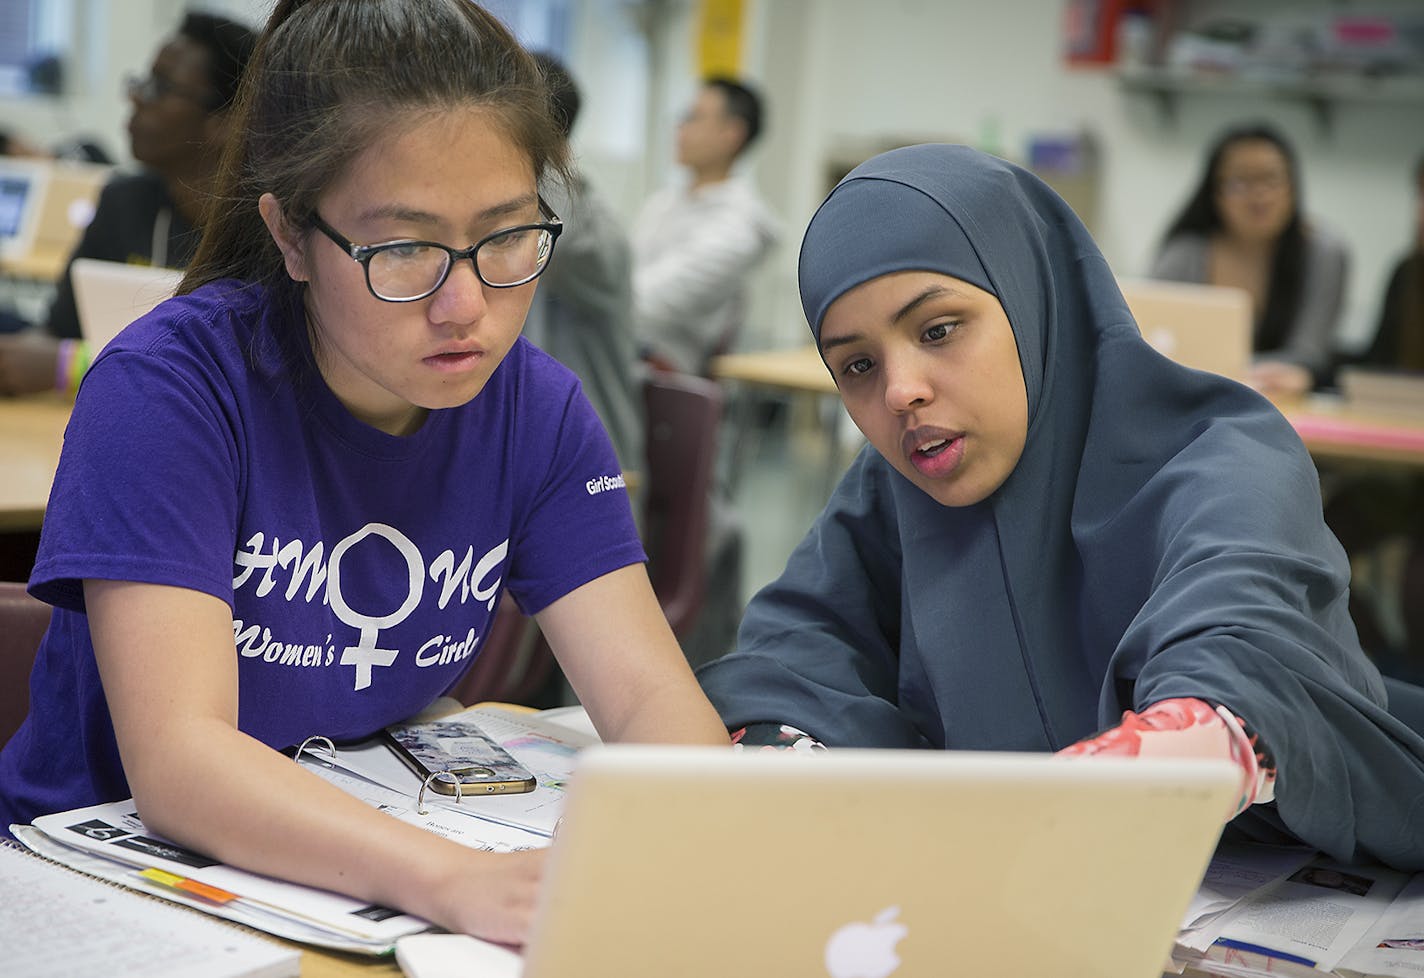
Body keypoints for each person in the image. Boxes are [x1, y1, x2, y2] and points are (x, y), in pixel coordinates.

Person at [0, 0, 727, 947]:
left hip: (356, 863)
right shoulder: (171, 391)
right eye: (406, 249)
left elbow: (643, 695)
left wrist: (719, 837)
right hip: (109, 884)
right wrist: (454, 882)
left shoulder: (535, 411)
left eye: (508, 235)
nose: (465, 304)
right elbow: (181, 763)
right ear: (292, 236)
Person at [696, 143, 1424, 871]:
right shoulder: (895, 488)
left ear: (1030, 295)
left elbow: (1242, 644)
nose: (900, 391)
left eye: (938, 329)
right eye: (858, 365)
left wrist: (1139, 767)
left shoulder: (1224, 453)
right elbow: (795, 645)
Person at [0, 11, 256, 396]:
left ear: (225, 121)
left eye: (160, 86)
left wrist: (72, 365)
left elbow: (242, 377)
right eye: (144, 80)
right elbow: (56, 337)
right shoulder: (124, 202)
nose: (135, 95)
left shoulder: (264, 231)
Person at [1149, 122, 1349, 398]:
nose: (1259, 195)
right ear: (1215, 193)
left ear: (1293, 188)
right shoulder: (1184, 254)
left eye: (1271, 179)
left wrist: (1294, 374)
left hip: (1286, 408)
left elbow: (1309, 353)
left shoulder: (1323, 253)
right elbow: (1150, 337)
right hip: (1194, 401)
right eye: (1240, 181)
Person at [1320, 153, 1424, 678]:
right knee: (1318, 530)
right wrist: (1319, 374)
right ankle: (1369, 670)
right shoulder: (1408, 274)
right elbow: (1375, 363)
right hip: (1402, 473)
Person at [522, 51, 642, 472]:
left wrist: (535, 150)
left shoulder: (587, 230)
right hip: (530, 452)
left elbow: (551, 232)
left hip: (589, 468)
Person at [631, 76, 779, 376]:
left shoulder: (739, 227)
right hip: (627, 346)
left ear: (731, 134)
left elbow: (653, 302)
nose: (680, 128)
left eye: (694, 118)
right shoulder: (664, 202)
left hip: (664, 368)